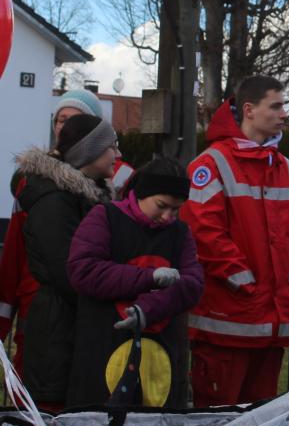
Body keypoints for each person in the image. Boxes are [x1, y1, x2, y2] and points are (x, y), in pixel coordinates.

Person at [181, 75, 289, 406]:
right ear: (250, 110)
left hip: (271, 321)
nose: (284, 114)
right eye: (277, 105)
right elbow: (204, 233)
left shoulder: (286, 168)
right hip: (227, 319)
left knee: (260, 420)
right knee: (218, 420)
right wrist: (244, 283)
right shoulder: (211, 164)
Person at [0, 89, 134, 374]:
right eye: (61, 119)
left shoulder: (110, 180)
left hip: (74, 320)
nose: (65, 127)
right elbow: (20, 255)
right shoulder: (48, 193)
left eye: (76, 120)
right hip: (46, 312)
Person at [66, 157, 204, 408]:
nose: (167, 216)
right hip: (102, 347)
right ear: (142, 193)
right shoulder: (105, 217)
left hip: (161, 358)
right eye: (161, 205)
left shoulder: (181, 233)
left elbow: (192, 284)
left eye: (175, 209)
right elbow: (83, 271)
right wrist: (150, 277)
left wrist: (147, 309)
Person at [13, 114, 119, 409]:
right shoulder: (55, 202)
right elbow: (70, 273)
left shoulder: (83, 197)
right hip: (58, 335)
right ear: (89, 151)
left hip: (73, 329)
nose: (118, 154)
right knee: (56, 421)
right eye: (112, 145)